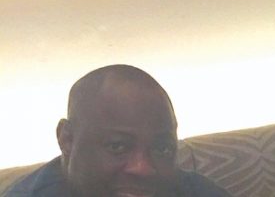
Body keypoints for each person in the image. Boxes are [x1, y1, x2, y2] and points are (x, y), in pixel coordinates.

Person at [6, 65, 231, 197]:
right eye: (118, 146)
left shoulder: (190, 190)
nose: (143, 168)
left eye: (161, 149)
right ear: (67, 140)